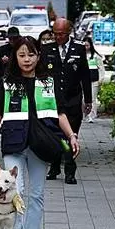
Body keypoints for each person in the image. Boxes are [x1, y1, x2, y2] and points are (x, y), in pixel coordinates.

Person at [0, 36, 80, 229]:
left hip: (41, 144)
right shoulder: (6, 83)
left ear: (38, 56)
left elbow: (60, 112)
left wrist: (71, 135)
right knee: (17, 190)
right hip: (14, 141)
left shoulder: (49, 81)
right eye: (22, 55)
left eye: (31, 54)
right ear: (15, 57)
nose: (27, 59)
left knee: (36, 193)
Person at [41, 18, 91, 184]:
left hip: (73, 100)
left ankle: (70, 170)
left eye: (61, 34)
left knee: (70, 135)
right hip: (52, 100)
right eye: (55, 34)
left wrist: (88, 100)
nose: (58, 37)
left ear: (69, 32)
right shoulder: (47, 48)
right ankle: (55, 166)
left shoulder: (79, 48)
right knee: (56, 135)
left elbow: (85, 75)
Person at [82, 36, 105, 122]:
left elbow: (101, 68)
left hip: (94, 80)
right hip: (83, 81)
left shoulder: (96, 56)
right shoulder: (80, 56)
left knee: (92, 99)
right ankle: (85, 114)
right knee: (83, 99)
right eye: (84, 45)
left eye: (87, 45)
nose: (86, 47)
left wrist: (101, 79)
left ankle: (91, 115)